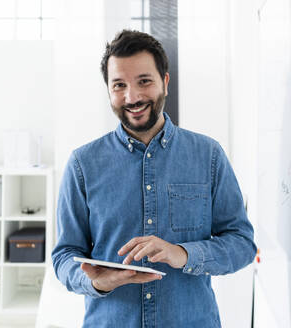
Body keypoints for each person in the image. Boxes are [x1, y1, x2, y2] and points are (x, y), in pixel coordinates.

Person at [52, 29, 256, 328]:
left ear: (165, 82)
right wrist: (97, 282)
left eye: (144, 81)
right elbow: (64, 256)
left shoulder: (208, 155)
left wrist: (183, 253)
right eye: (119, 85)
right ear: (108, 90)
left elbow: (242, 244)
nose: (132, 97)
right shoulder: (83, 164)